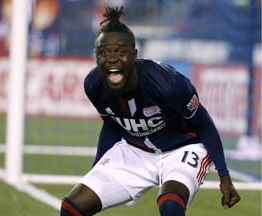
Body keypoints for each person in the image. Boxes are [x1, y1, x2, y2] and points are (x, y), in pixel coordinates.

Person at [60, 6, 241, 216]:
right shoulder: (94, 85)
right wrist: (96, 170)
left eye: (120, 52)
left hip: (183, 148)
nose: (111, 59)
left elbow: (203, 123)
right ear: (96, 56)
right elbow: (111, 125)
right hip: (134, 152)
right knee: (71, 208)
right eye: (104, 52)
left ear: (134, 55)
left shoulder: (168, 84)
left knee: (170, 204)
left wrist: (224, 175)